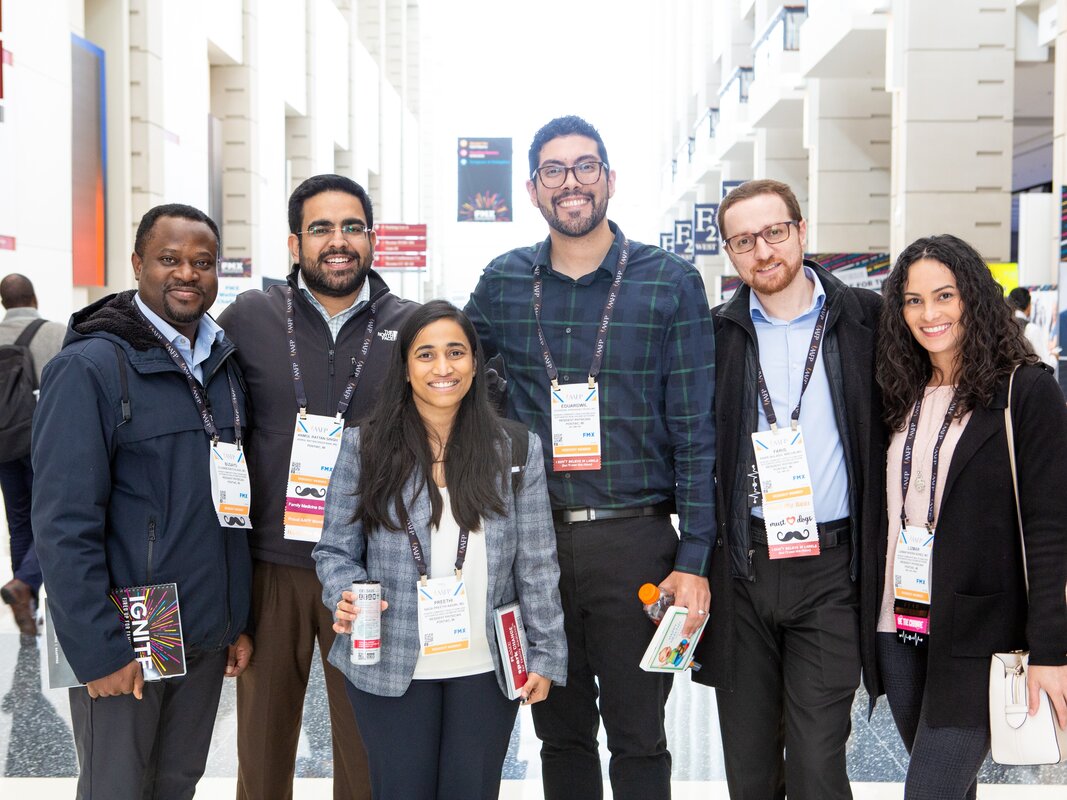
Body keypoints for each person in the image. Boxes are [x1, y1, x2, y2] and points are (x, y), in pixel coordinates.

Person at [465, 115, 716, 800]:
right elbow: (449, 377)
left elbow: (696, 431)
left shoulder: (669, 283)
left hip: (635, 541)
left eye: (584, 166)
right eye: (553, 170)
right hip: (535, 543)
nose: (569, 182)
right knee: (558, 735)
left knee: (639, 738)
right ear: (531, 188)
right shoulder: (502, 282)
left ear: (608, 179)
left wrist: (693, 560)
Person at [31, 203, 254, 799]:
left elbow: (229, 504)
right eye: (169, 259)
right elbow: (62, 522)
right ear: (137, 264)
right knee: (118, 787)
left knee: (177, 782)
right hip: (131, 628)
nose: (187, 274)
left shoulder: (221, 365)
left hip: (203, 629)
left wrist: (234, 619)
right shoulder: (90, 366)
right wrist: (98, 650)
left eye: (202, 263)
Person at [313, 300, 567, 800]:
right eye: (426, 355)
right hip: (388, 662)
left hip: (486, 666)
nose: (443, 367)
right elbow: (334, 551)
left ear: (475, 362)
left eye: (455, 352)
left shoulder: (515, 450)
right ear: (406, 368)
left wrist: (547, 653)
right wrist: (343, 593)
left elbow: (536, 563)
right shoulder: (364, 448)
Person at [218, 174, 416, 800]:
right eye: (322, 228)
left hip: (368, 572)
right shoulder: (249, 316)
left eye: (352, 227)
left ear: (372, 238)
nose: (338, 241)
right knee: (263, 745)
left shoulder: (408, 325)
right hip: (270, 564)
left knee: (366, 753)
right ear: (294, 241)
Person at [691, 179, 885, 799]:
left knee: (816, 766)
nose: (763, 252)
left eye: (775, 232)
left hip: (833, 570)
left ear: (802, 232)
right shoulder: (714, 336)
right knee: (748, 770)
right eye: (743, 241)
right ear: (730, 253)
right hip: (744, 569)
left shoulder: (865, 322)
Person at [872, 234, 1067, 799]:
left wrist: (1053, 649)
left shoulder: (1025, 390)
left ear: (973, 297)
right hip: (899, 624)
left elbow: (1050, 530)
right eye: (913, 300)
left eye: (944, 295)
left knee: (927, 791)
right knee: (952, 790)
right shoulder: (897, 388)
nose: (929, 314)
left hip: (981, 633)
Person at [0, 273, 64, 635]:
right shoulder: (54, 333)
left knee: (19, 519)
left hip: (4, 444)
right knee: (53, 517)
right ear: (34, 298)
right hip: (44, 440)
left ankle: (24, 598)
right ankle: (24, 582)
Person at [1007, 286, 1057, 367]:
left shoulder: (1003, 326)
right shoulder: (1031, 329)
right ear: (1028, 305)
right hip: (1027, 377)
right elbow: (1046, 365)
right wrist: (1054, 357)